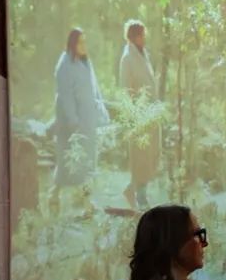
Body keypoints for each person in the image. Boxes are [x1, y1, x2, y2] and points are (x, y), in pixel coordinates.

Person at [50, 27, 109, 193]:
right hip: (71, 121)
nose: (84, 45)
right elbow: (65, 95)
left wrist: (100, 107)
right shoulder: (64, 65)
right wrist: (73, 119)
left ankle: (87, 200)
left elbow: (94, 87)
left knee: (88, 159)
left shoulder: (86, 62)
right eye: (81, 42)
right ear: (73, 44)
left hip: (88, 117)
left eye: (85, 41)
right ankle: (54, 194)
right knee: (67, 161)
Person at [117, 20, 159, 209]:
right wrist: (132, 113)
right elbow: (125, 88)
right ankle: (139, 195)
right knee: (140, 156)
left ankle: (133, 190)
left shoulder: (144, 55)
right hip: (138, 114)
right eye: (141, 35)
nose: (144, 38)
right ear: (133, 37)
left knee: (150, 156)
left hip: (149, 112)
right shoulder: (128, 58)